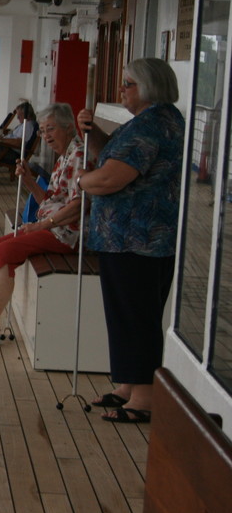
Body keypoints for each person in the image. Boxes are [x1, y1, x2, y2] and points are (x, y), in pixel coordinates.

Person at [76, 58, 184, 423]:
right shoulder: (157, 121)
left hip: (135, 237)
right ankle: (128, 386)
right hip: (138, 237)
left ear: (150, 87)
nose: (122, 90)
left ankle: (144, 398)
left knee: (135, 315)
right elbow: (114, 156)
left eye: (129, 84)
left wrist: (82, 183)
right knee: (128, 312)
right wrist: (94, 135)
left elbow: (110, 178)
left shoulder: (150, 126)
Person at [0, 103, 84, 344]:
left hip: (65, 234)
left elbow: (78, 208)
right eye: (43, 131)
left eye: (50, 129)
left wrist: (39, 226)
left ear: (68, 127)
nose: (45, 136)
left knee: (3, 253)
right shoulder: (64, 156)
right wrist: (28, 180)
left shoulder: (78, 156)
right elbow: (49, 200)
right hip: (51, 226)